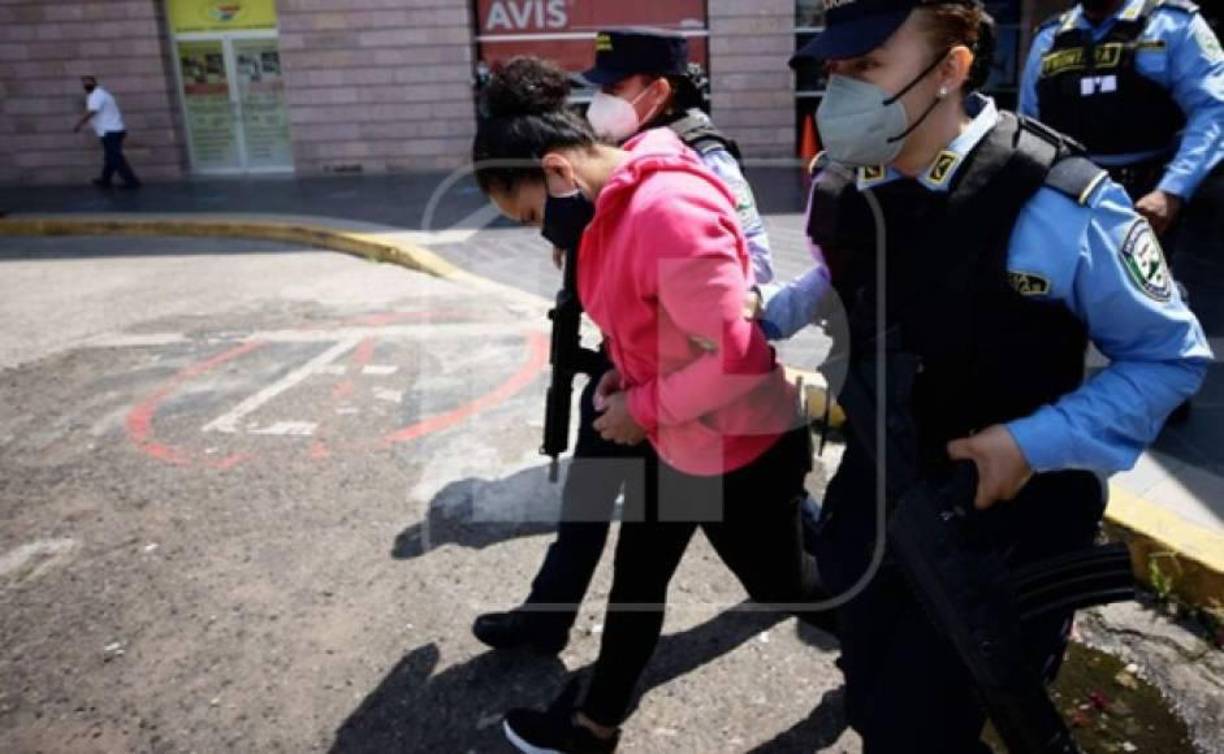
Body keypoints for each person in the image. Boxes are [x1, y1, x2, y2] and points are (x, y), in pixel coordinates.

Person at [790, 0, 1211, 751]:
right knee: (867, 689)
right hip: (875, 495)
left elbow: (1168, 357)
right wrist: (755, 320)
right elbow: (850, 282)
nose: (842, 90)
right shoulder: (848, 182)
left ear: (950, 69)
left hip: (1008, 527)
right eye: (835, 69)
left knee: (931, 727)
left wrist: (1032, 442)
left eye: (868, 67)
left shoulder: (1057, 201)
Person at [472, 57, 827, 752]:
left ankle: (903, 634)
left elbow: (736, 356)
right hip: (682, 440)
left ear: (556, 169)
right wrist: (623, 383)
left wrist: (642, 407)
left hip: (740, 453)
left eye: (530, 215)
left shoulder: (666, 211)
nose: (537, 232)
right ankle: (591, 727)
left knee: (789, 587)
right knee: (638, 582)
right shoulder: (610, 203)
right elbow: (654, 332)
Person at [1019, 0, 1224, 238]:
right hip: (1068, 197)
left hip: (1154, 201)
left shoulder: (1172, 24)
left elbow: (1213, 109)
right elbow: (1029, 127)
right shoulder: (1050, 37)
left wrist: (1172, 190)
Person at [73, 76, 141, 190]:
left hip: (110, 131)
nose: (85, 84)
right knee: (110, 157)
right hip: (114, 130)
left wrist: (79, 124)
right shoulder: (102, 94)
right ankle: (105, 180)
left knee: (116, 158)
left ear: (94, 82)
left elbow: (92, 111)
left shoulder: (96, 95)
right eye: (84, 82)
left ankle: (132, 182)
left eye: (88, 82)